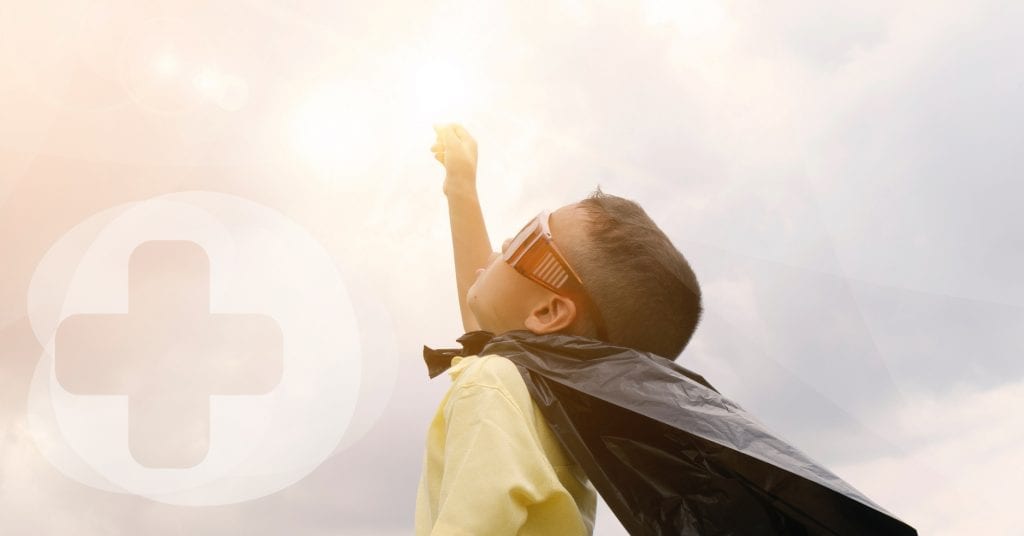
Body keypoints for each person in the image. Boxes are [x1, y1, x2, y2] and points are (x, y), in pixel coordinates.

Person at [414, 123, 703, 535]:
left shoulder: (493, 385)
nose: (510, 237)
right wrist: (460, 185)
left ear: (549, 311)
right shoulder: (551, 402)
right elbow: (486, 322)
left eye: (531, 238)